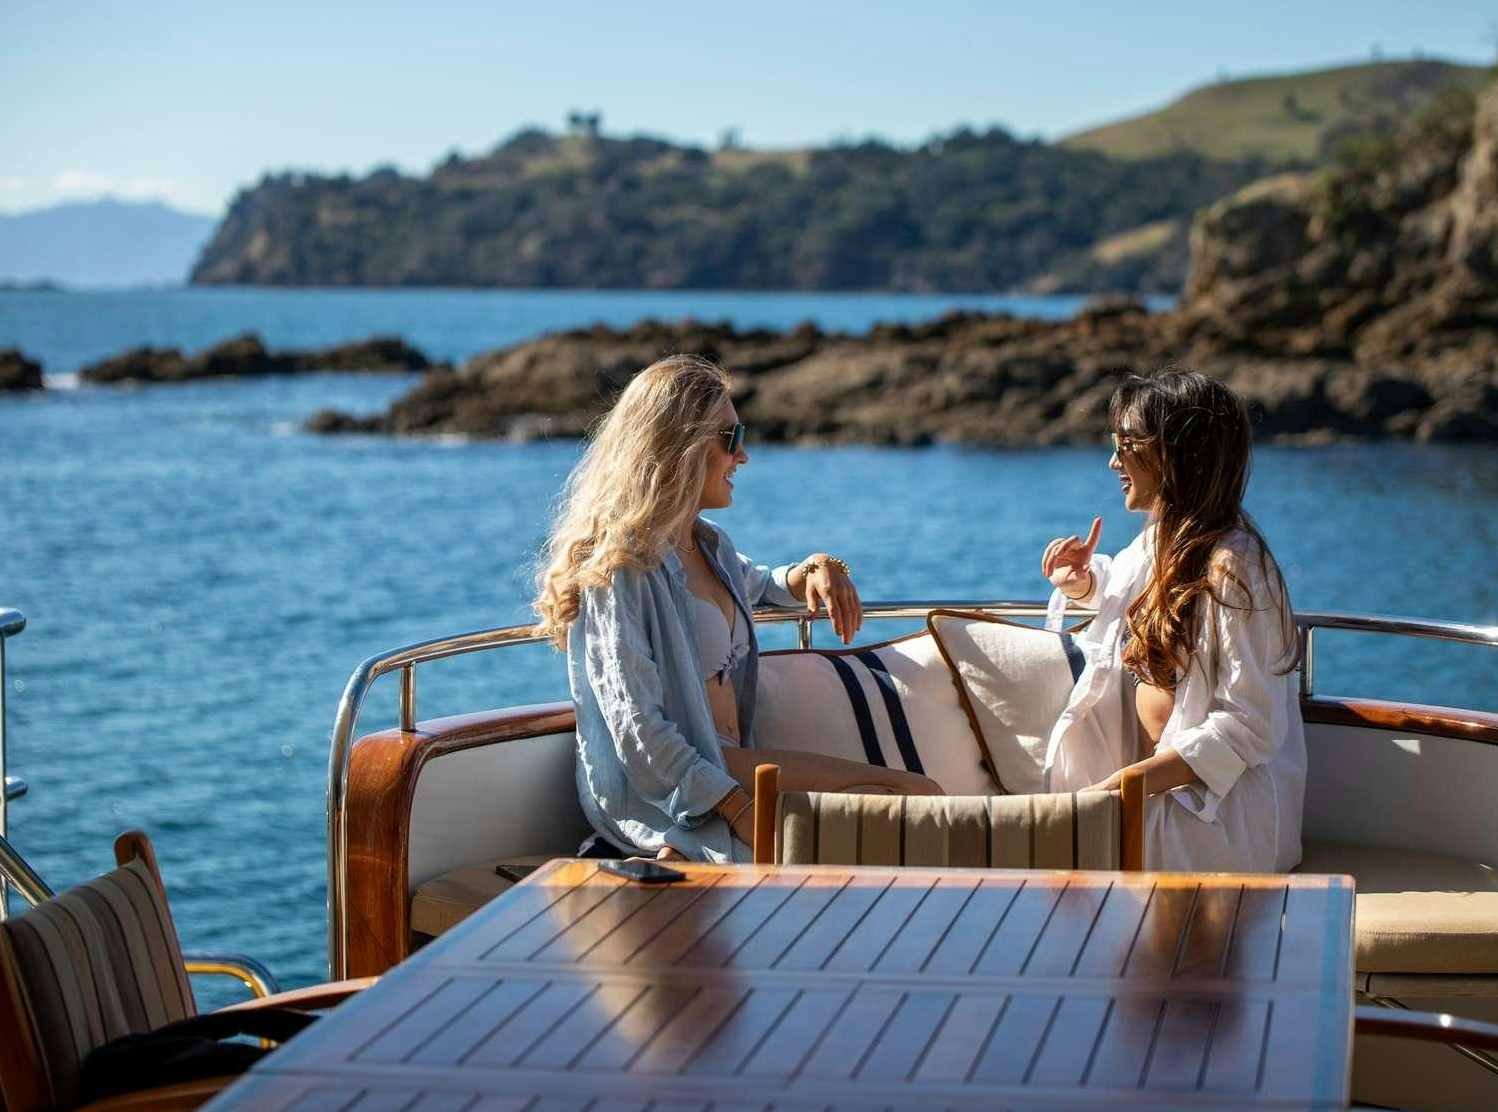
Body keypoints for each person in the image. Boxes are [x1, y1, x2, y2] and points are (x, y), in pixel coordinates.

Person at [535, 355, 940, 863]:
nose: (743, 455)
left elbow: (765, 585)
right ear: (678, 447)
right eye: (729, 438)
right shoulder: (619, 569)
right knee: (912, 798)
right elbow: (636, 729)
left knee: (916, 800)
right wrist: (736, 809)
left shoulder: (710, 546)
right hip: (691, 793)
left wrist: (818, 565)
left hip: (735, 771)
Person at [1038, 366, 1305, 872]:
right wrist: (1083, 584)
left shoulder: (1236, 565)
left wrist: (1121, 789)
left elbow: (1249, 722)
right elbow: (1129, 588)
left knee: (1048, 860)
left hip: (1220, 817)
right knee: (1046, 855)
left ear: (1173, 453)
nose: (1114, 461)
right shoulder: (1164, 539)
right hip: (1157, 792)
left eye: (1126, 445)